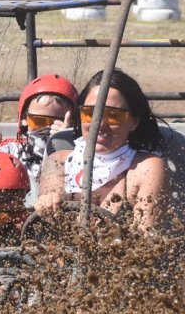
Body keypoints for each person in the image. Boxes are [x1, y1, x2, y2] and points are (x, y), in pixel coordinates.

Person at [34, 68, 167, 233]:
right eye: (90, 114)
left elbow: (147, 241)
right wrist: (48, 202)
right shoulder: (59, 161)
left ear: (134, 122)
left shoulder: (145, 168)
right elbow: (47, 202)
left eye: (114, 115)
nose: (100, 124)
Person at [0, 74, 78, 184]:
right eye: (39, 122)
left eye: (56, 123)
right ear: (23, 118)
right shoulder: (9, 153)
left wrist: (65, 145)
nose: (47, 130)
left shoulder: (80, 155)